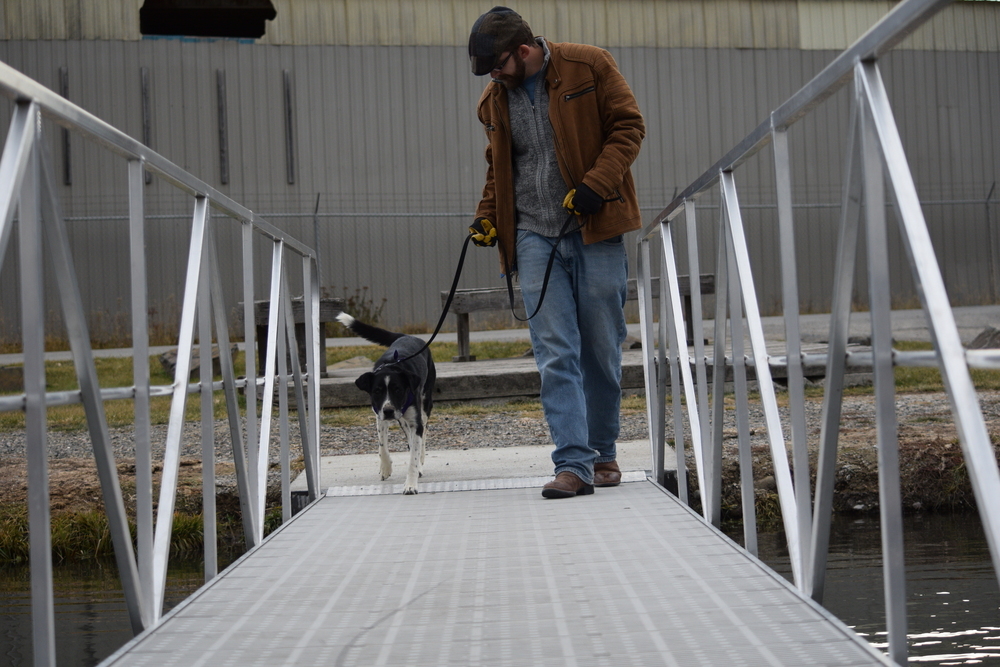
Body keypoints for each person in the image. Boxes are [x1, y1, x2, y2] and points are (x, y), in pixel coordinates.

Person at [467, 6, 645, 499]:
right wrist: (488, 216)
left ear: (522, 50)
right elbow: (498, 167)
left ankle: (603, 452)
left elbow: (628, 127)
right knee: (555, 352)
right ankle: (572, 464)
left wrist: (596, 184)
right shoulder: (495, 100)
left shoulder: (589, 65)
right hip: (533, 234)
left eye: (497, 66)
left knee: (600, 348)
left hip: (594, 225)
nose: (493, 77)